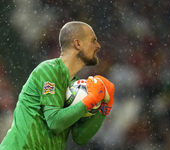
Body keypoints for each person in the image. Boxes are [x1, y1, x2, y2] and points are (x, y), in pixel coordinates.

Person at [0, 21, 115, 150]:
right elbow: (54, 122)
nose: (98, 46)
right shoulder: (48, 70)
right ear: (77, 44)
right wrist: (92, 99)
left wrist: (103, 108)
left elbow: (80, 137)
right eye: (93, 41)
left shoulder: (75, 87)